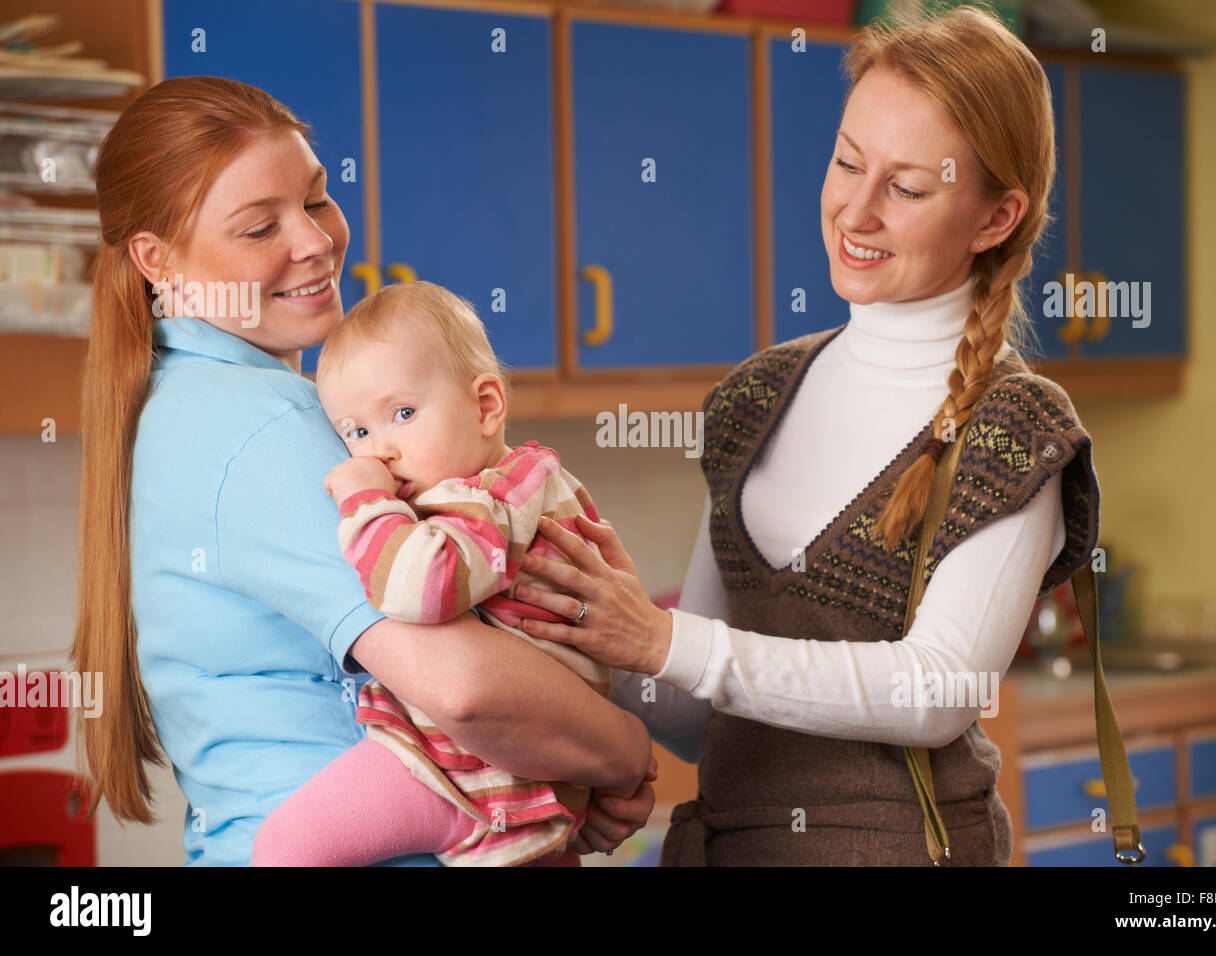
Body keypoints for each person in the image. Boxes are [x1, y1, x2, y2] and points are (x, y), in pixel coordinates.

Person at [508, 7, 1101, 865]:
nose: (854, 212)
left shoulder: (1016, 432)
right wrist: (576, 621)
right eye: (847, 162)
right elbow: (699, 713)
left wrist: (665, 641)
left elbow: (941, 691)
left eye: (906, 188)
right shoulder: (754, 397)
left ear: (995, 217)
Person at [72, 76, 654, 866]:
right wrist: (624, 752)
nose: (314, 241)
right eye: (257, 228)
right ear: (156, 259)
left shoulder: (181, 403)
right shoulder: (264, 421)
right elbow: (464, 687)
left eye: (315, 199)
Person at [251, 281, 621, 867]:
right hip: (532, 780)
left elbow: (427, 588)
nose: (381, 452)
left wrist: (366, 504)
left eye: (402, 413)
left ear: (485, 406)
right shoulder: (537, 484)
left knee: (284, 848)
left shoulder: (491, 499)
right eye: (356, 433)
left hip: (453, 765)